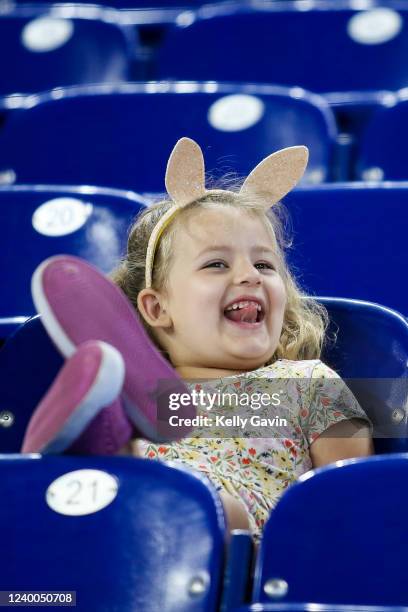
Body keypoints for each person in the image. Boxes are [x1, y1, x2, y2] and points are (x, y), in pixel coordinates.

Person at [22, 137, 373, 541]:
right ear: (156, 309)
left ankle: (111, 452)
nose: (250, 276)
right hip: (120, 537)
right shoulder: (146, 398)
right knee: (100, 498)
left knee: (207, 505)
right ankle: (106, 452)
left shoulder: (308, 382)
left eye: (264, 263)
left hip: (243, 542)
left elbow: (348, 500)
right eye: (217, 264)